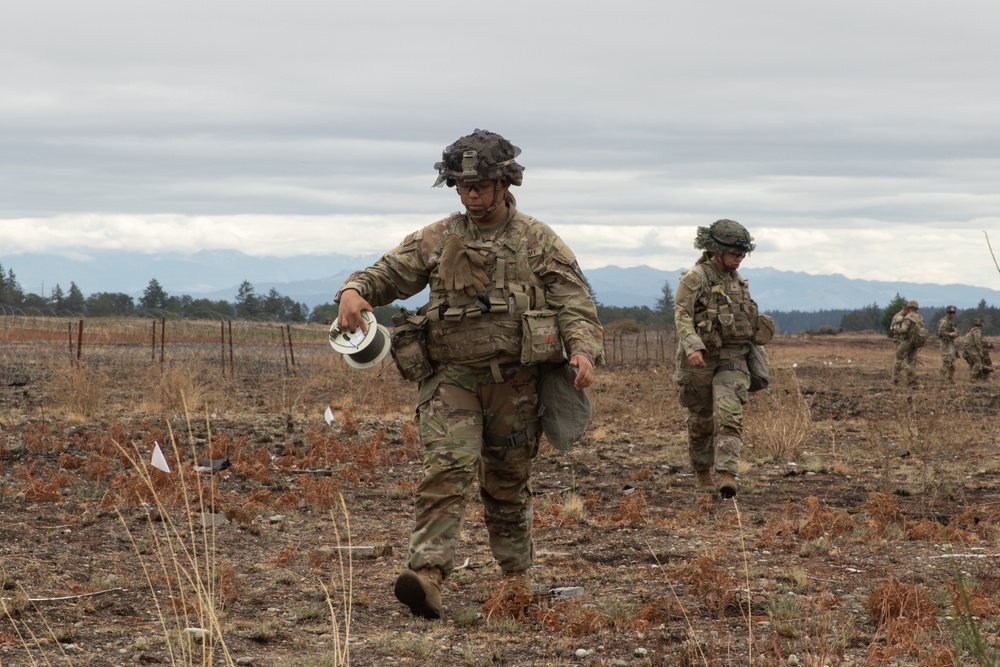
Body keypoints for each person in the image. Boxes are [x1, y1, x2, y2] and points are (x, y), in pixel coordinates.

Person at [334, 129, 604, 619]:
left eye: (481, 186)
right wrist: (354, 290)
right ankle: (427, 576)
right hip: (451, 379)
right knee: (448, 468)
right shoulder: (438, 238)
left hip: (515, 385)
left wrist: (583, 350)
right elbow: (387, 274)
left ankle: (516, 582)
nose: (472, 196)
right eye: (463, 187)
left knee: (506, 481)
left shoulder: (537, 240)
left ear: (505, 184)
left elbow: (575, 303)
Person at [673, 219, 772, 499]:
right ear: (716, 250)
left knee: (730, 415)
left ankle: (727, 474)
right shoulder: (696, 277)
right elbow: (682, 315)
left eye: (742, 254)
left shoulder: (738, 281)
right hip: (701, 359)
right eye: (734, 253)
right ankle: (703, 474)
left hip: (733, 356)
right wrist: (692, 346)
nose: (739, 259)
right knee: (701, 420)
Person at [891, 300, 927, 387]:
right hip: (916, 343)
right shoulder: (920, 317)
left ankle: (910, 373)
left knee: (899, 357)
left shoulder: (908, 317)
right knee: (911, 360)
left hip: (907, 341)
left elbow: (903, 329)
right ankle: (911, 382)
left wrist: (896, 330)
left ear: (909, 307)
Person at [937, 305, 959, 382]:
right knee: (947, 361)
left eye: (953, 313)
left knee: (952, 362)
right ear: (946, 313)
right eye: (950, 313)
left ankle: (950, 378)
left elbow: (955, 332)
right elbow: (940, 332)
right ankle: (941, 378)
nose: (952, 314)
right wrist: (950, 334)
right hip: (945, 343)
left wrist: (955, 334)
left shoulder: (951, 322)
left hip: (950, 343)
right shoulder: (944, 322)